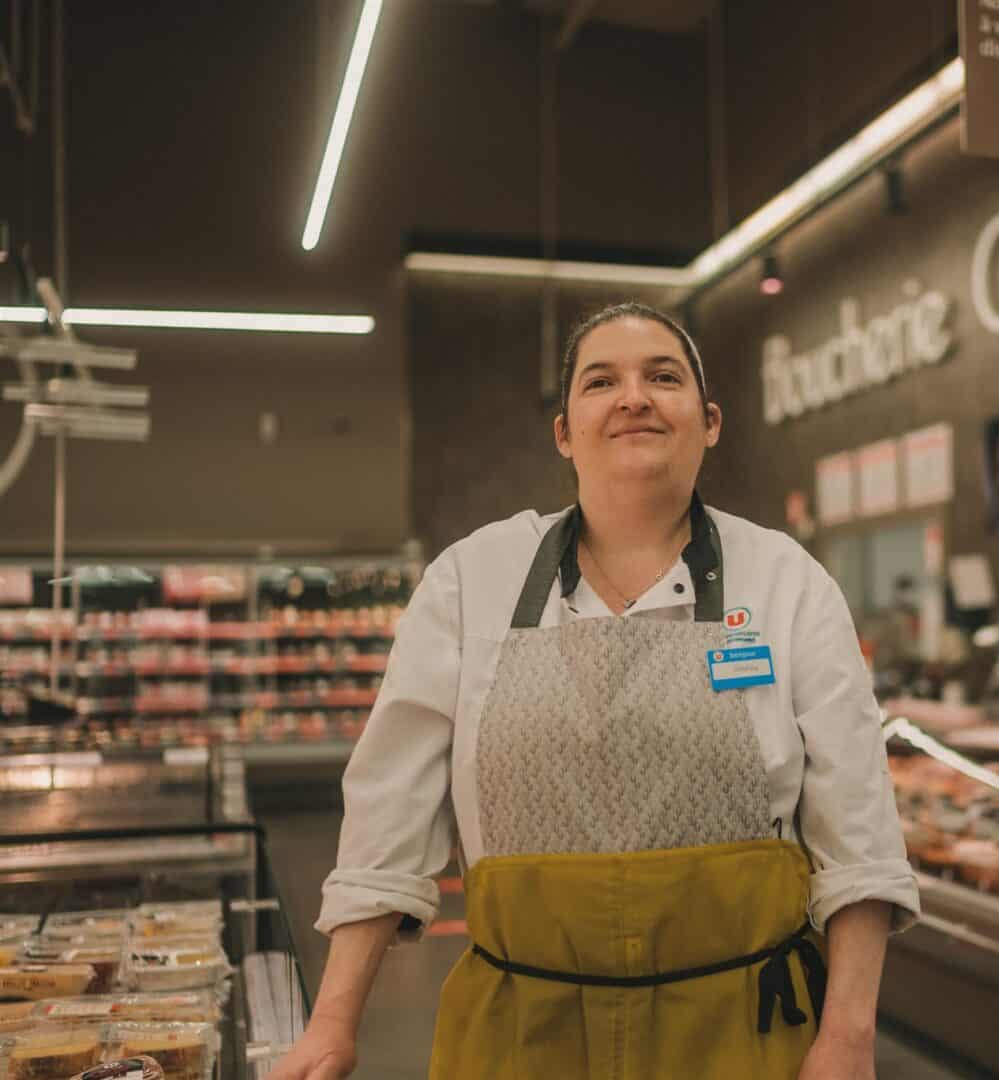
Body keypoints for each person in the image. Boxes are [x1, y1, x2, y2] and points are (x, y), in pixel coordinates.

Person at [269, 302, 920, 1079]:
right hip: (522, 1035)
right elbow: (388, 814)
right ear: (565, 432)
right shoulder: (470, 580)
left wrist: (847, 1036)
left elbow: (858, 828)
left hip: (742, 1032)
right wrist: (332, 1022)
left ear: (709, 421)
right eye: (601, 380)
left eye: (663, 377)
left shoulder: (787, 581)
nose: (633, 397)